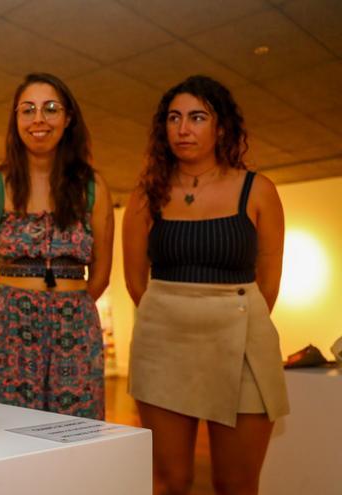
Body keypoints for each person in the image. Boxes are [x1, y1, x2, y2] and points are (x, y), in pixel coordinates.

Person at [122, 75, 289, 495]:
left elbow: (268, 283)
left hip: (243, 342)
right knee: (171, 481)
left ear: (221, 127)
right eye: (174, 118)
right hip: (163, 344)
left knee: (236, 484)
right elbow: (135, 280)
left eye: (197, 117)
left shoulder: (259, 190)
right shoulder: (145, 196)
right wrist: (176, 311)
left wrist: (225, 313)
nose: (183, 129)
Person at [0, 73, 113, 419]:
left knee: (76, 434)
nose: (38, 119)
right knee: (7, 433)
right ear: (15, 120)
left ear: (68, 118)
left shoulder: (93, 187)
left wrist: (68, 308)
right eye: (27, 110)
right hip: (8, 331)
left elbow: (102, 274)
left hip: (75, 329)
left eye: (50, 109)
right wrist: (13, 307)